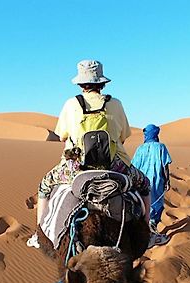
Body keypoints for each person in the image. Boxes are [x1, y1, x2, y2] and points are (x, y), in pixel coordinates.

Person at [27, 60, 151, 248]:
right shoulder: (116, 104)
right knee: (145, 185)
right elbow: (124, 136)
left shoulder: (70, 104)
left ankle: (39, 233)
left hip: (75, 168)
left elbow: (61, 136)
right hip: (114, 166)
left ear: (80, 83)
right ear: (102, 82)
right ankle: (148, 232)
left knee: (44, 186)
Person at [132, 124, 172, 247]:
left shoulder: (140, 149)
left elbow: (134, 167)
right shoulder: (161, 147)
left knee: (143, 205)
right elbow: (165, 166)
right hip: (156, 180)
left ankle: (146, 232)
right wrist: (167, 181)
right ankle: (152, 231)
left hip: (141, 182)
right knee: (156, 204)